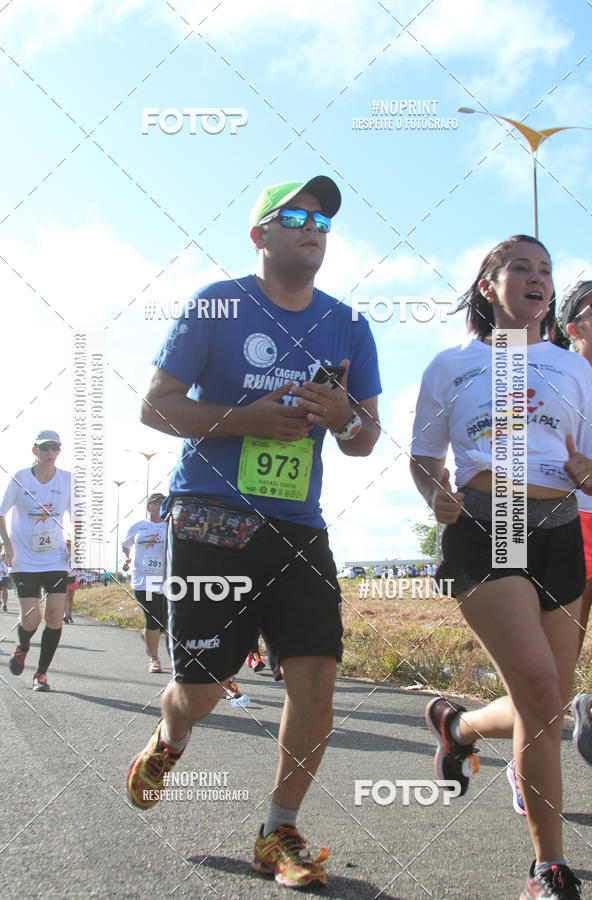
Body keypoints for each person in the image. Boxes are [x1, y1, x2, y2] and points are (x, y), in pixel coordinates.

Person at [127, 175, 381, 889]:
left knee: (317, 679)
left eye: (323, 220)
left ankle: (280, 829)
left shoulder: (349, 324)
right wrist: (249, 419)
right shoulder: (218, 304)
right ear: (259, 234)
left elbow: (365, 438)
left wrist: (341, 419)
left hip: (300, 525)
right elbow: (156, 407)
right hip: (213, 516)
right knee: (203, 688)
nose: (313, 227)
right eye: (295, 215)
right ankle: (171, 735)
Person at [410, 236, 592, 900]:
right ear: (488, 284)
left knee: (542, 709)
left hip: (558, 529)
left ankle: (456, 726)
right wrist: (433, 492)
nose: (537, 277)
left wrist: (590, 473)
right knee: (544, 694)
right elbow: (423, 456)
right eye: (521, 266)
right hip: (491, 521)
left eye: (546, 269)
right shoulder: (450, 365)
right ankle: (547, 868)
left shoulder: (575, 370)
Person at [552, 280, 592, 767]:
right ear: (573, 328)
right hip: (569, 527)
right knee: (553, 679)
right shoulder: (555, 381)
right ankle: (461, 726)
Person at [0, 430, 72, 692]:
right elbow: (1, 513)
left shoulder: (67, 480)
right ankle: (22, 646)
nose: (50, 452)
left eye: (54, 447)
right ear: (35, 451)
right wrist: (7, 545)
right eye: (44, 448)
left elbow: (79, 517)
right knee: (31, 619)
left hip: (54, 559)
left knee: (54, 616)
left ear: (59, 451)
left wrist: (77, 546)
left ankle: (40, 674)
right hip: (24, 560)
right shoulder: (20, 478)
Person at [121, 493, 168, 674]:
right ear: (149, 507)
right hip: (143, 580)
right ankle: (154, 659)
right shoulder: (139, 526)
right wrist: (127, 558)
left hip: (164, 580)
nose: (161, 505)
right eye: (157, 503)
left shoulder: (169, 526)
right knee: (152, 618)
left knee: (162, 623)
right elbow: (125, 544)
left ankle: (146, 635)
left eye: (164, 503)